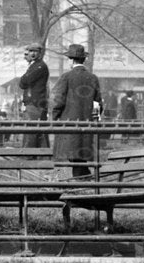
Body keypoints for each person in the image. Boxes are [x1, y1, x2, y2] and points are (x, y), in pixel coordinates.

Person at [51, 43, 103, 180]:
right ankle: (83, 175)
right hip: (87, 120)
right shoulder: (93, 78)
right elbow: (98, 103)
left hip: (69, 120)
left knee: (68, 150)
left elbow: (59, 100)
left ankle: (79, 177)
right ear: (83, 60)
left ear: (71, 60)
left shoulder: (66, 77)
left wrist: (54, 116)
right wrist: (95, 118)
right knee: (81, 149)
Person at [17, 44, 49, 149]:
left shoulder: (39, 66)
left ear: (40, 53)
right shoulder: (34, 66)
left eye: (35, 51)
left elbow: (24, 82)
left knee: (33, 132)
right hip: (34, 104)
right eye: (31, 51)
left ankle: (31, 155)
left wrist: (24, 78)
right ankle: (38, 156)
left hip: (35, 104)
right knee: (37, 131)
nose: (33, 54)